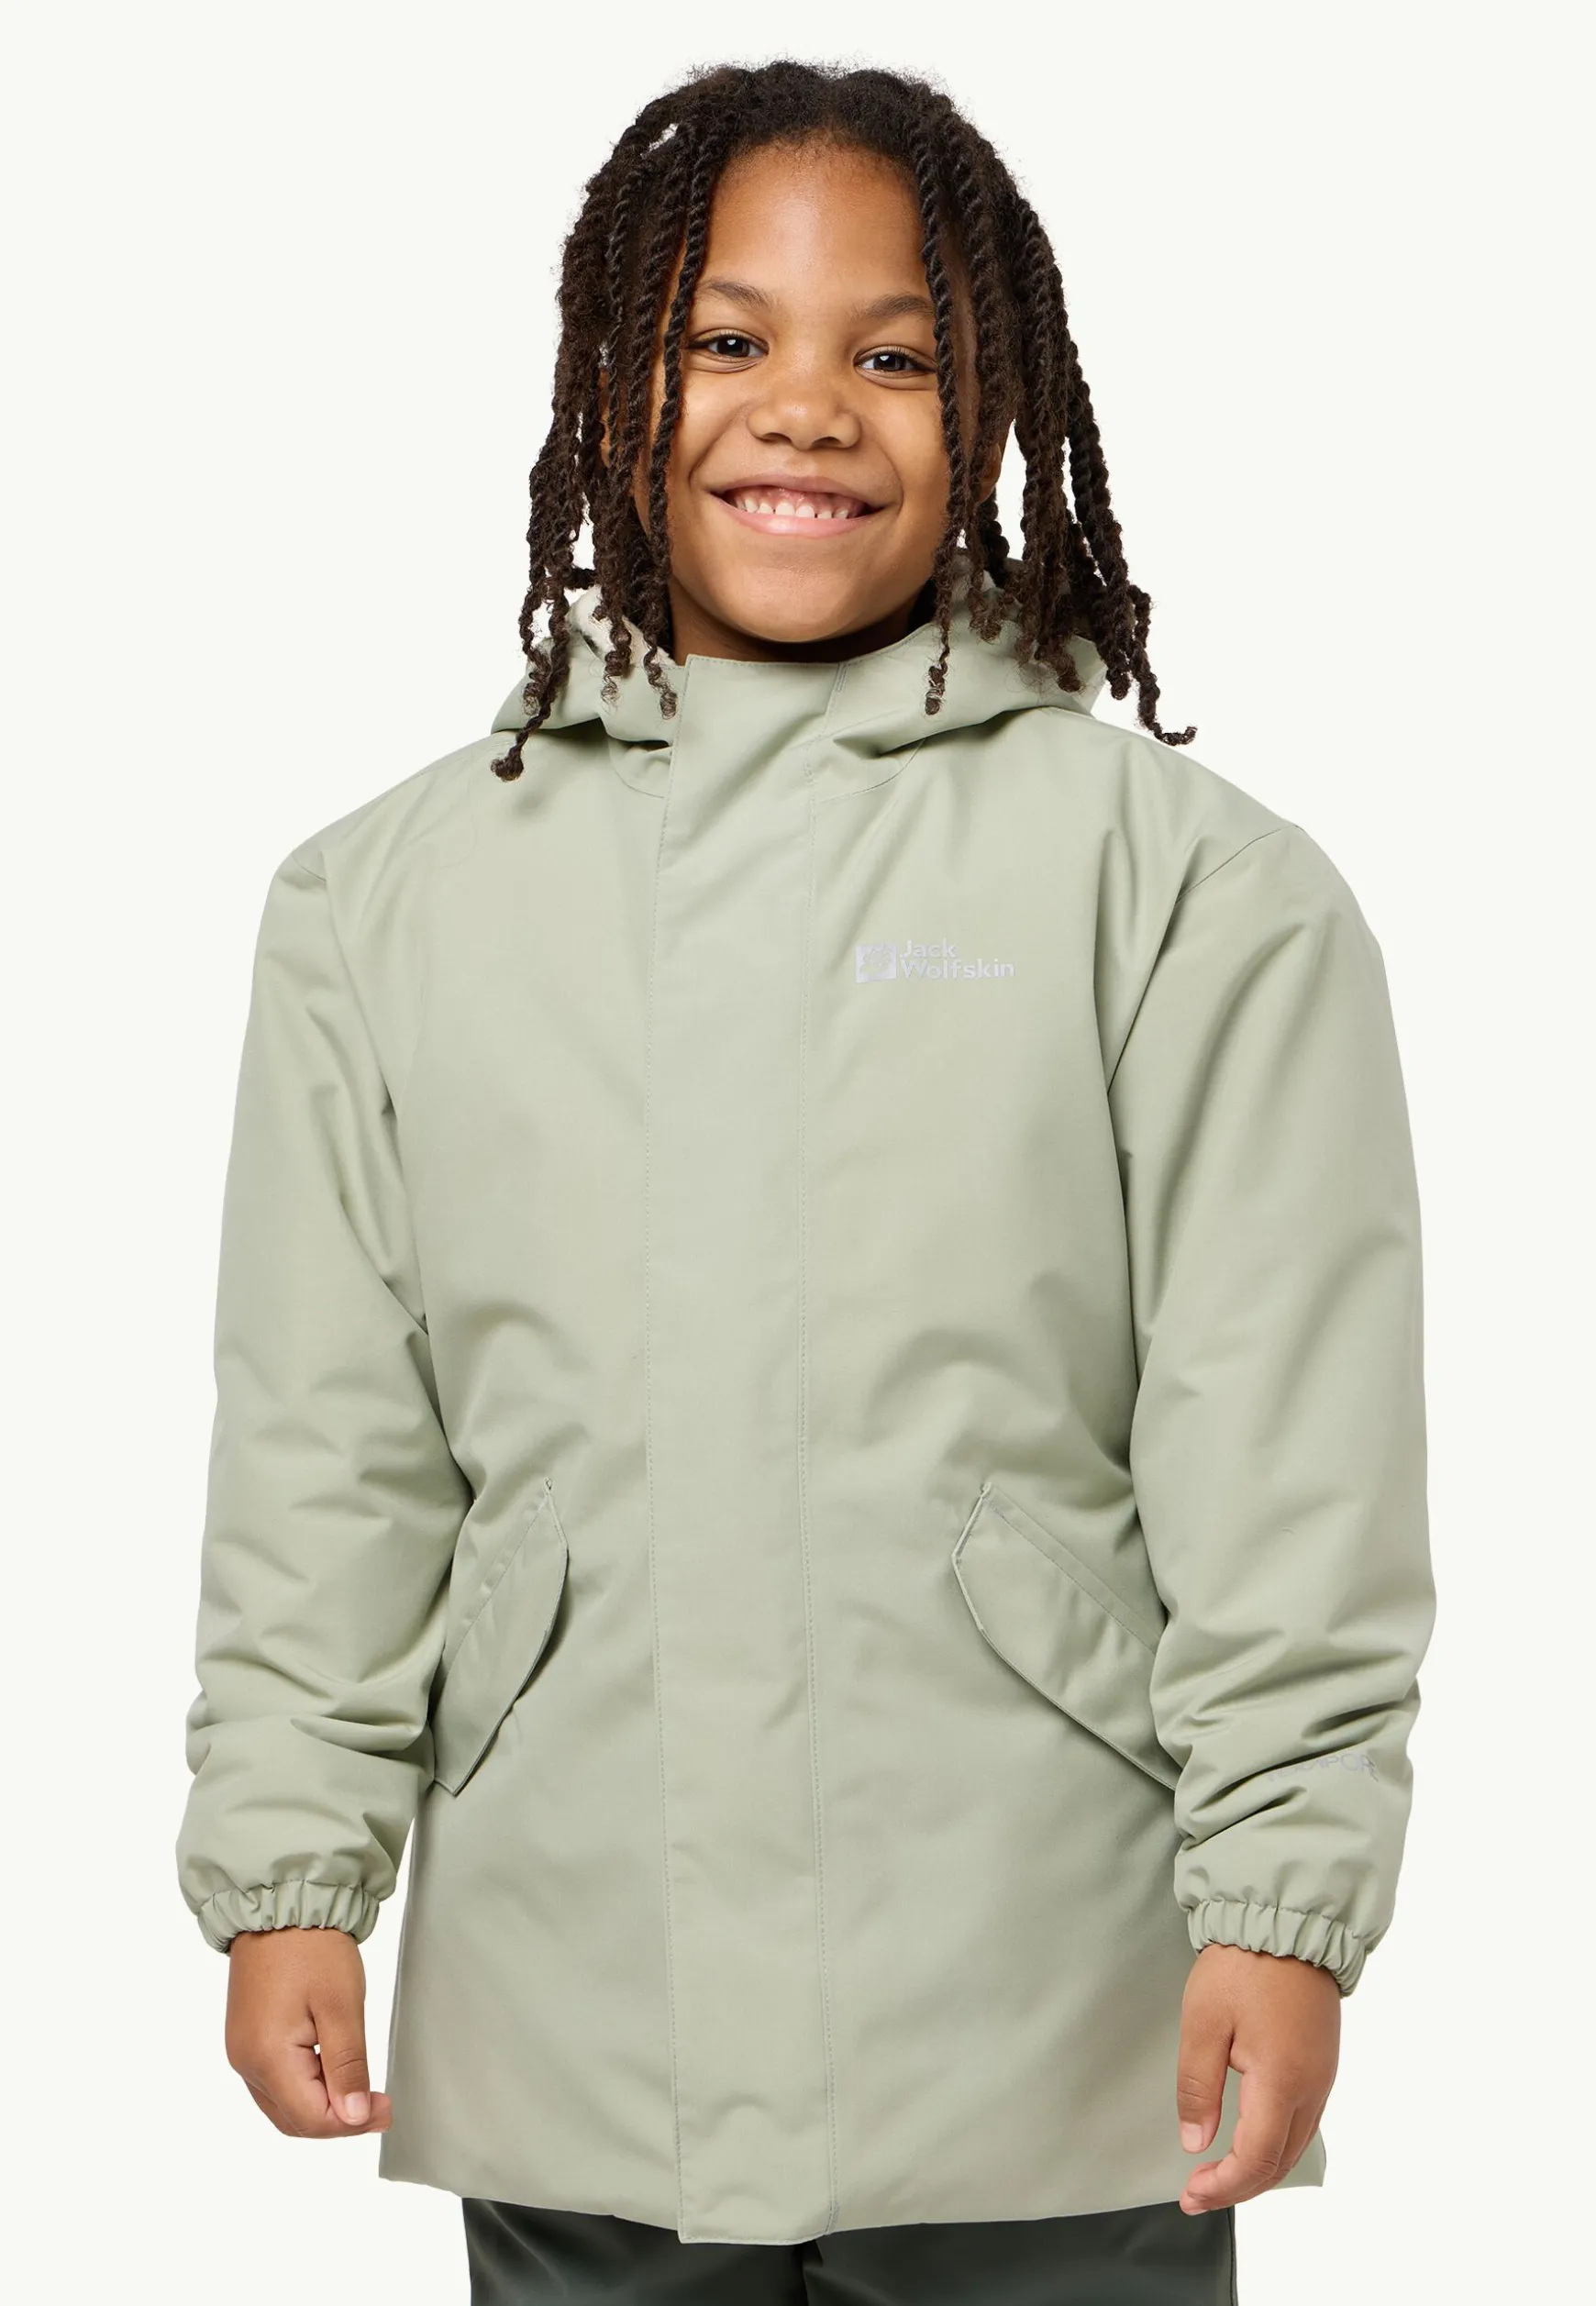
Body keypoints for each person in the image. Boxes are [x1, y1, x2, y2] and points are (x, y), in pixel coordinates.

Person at [176, 57, 1435, 2305]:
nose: (808, 411)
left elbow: (1286, 1452)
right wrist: (293, 1863)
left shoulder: (1183, 889)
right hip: (588, 2001)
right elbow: (328, 1444)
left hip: (1043, 2009)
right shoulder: (388, 901)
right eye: (728, 336)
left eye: (898, 354)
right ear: (608, 378)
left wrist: (1284, 1905)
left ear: (998, 402)